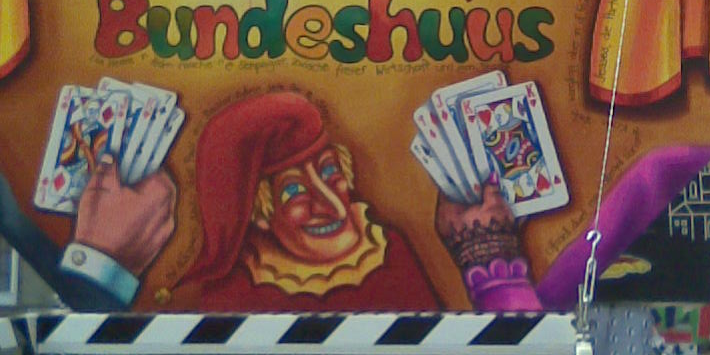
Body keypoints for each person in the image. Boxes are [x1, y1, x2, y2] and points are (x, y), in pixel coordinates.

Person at [61, 90, 545, 313]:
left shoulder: (388, 252)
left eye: (332, 174)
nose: (331, 205)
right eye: (293, 191)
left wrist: (490, 261)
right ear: (259, 211)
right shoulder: (230, 295)